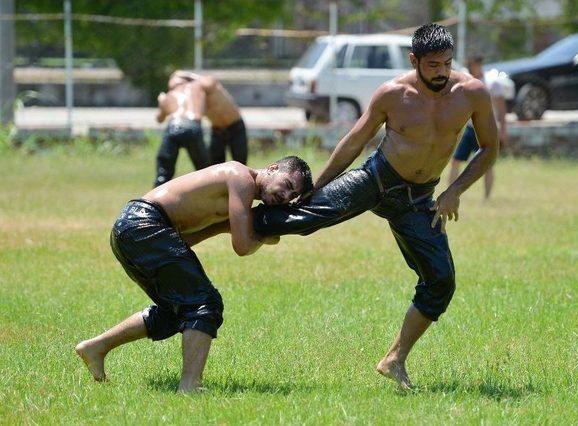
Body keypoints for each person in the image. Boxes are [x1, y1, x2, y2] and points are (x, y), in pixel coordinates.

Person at [253, 24, 499, 390]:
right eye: (432, 65)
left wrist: (455, 190)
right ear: (414, 60)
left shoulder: (472, 93)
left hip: (418, 199)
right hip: (377, 180)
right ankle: (230, 213)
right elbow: (355, 141)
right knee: (302, 220)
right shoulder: (393, 93)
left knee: (441, 280)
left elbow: (490, 148)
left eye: (447, 63)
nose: (441, 73)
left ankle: (394, 359)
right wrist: (317, 188)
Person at [75, 157, 313, 393]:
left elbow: (190, 238)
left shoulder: (239, 193)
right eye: (288, 185)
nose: (286, 197)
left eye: (292, 196)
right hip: (144, 223)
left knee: (175, 309)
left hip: (133, 228)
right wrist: (263, 238)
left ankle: (96, 348)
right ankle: (189, 387)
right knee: (204, 303)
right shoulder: (241, 178)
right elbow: (241, 247)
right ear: (272, 168)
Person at [449, 56, 509, 199]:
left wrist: (503, 130)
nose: (471, 67)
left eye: (473, 64)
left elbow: (501, 109)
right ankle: (450, 194)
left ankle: (487, 198)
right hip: (468, 127)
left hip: (485, 127)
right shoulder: (464, 80)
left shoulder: (492, 83)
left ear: (479, 64)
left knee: (486, 164)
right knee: (455, 161)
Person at [172, 70, 248, 165]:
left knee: (240, 163)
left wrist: (185, 76)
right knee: (215, 165)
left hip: (235, 126)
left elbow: (209, 81)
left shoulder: (208, 85)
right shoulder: (195, 97)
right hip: (217, 130)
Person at [154, 74, 210, 187]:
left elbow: (159, 119)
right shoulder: (197, 91)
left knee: (163, 173)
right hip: (193, 126)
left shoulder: (169, 95)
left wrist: (161, 103)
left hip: (174, 125)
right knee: (205, 171)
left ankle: (155, 201)